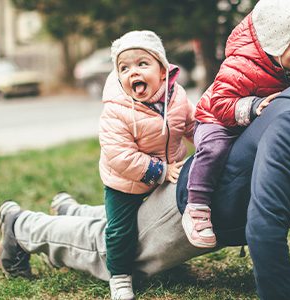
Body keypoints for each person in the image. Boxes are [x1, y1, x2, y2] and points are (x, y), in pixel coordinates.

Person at [0, 44, 290, 299]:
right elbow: (265, 225)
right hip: (192, 208)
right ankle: (23, 226)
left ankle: (73, 210)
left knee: (119, 228)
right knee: (112, 255)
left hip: (219, 207)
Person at [183, 0, 290, 249]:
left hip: (255, 120)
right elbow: (220, 102)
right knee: (215, 149)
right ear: (270, 42)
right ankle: (196, 206)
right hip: (217, 118)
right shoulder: (239, 65)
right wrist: (252, 106)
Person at [100, 30, 195, 300]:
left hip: (169, 170)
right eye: (124, 67)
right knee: (120, 229)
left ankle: (172, 259)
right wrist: (161, 171)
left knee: (173, 216)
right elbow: (120, 155)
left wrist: (207, 140)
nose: (133, 72)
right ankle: (119, 276)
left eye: (143, 64)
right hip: (125, 181)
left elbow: (190, 126)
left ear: (163, 71)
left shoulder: (177, 97)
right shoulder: (116, 109)